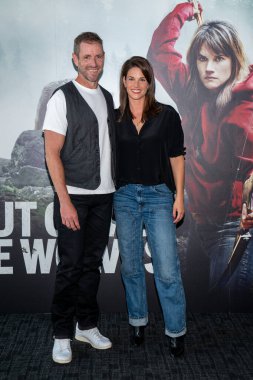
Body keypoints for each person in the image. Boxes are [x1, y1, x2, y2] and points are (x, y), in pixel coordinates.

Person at [147, 2, 253, 310]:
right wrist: (185, 10)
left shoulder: (246, 102)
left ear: (234, 61)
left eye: (219, 58)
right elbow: (159, 53)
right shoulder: (191, 91)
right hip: (200, 222)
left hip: (235, 225)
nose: (209, 67)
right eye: (202, 58)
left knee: (229, 311)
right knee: (198, 307)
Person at [43, 32, 116, 364]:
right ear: (75, 58)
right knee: (70, 267)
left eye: (98, 56)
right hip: (74, 196)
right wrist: (65, 201)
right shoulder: (61, 98)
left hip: (104, 196)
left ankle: (86, 325)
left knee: (91, 266)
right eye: (87, 57)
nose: (93, 63)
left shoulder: (108, 97)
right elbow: (52, 153)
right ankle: (61, 334)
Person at [113, 56, 186, 357]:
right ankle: (137, 321)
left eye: (142, 79)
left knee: (167, 269)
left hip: (159, 196)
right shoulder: (114, 119)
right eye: (131, 78)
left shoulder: (167, 115)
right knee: (130, 266)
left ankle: (176, 331)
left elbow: (177, 157)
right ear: (123, 81)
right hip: (125, 197)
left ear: (150, 82)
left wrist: (179, 195)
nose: (137, 84)